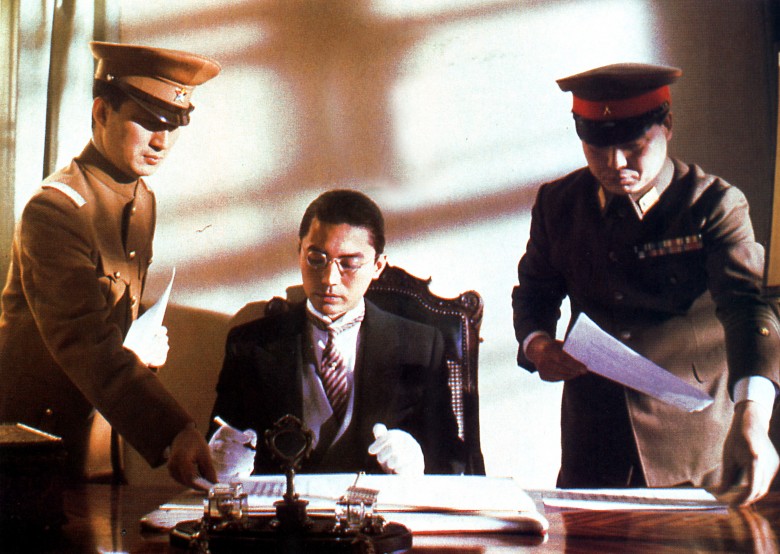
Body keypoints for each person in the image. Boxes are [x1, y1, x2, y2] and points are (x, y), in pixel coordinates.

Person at [512, 63, 780, 505]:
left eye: (633, 147)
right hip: (593, 444)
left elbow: (748, 309)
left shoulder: (712, 205)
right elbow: (534, 292)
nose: (616, 164)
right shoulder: (558, 204)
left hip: (693, 448)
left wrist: (752, 416)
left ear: (667, 125)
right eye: (597, 149)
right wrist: (538, 344)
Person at [0, 41, 221, 488]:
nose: (161, 142)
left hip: (99, 440)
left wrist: (138, 348)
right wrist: (174, 428)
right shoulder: (56, 211)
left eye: (173, 125)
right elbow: (84, 340)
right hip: (33, 451)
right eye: (148, 121)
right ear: (102, 112)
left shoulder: (141, 199)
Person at [209, 189, 463, 478]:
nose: (329, 279)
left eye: (349, 263)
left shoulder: (421, 346)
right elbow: (217, 441)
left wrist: (418, 462)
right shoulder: (248, 345)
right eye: (316, 259)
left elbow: (452, 460)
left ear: (378, 266)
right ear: (299, 252)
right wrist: (222, 462)